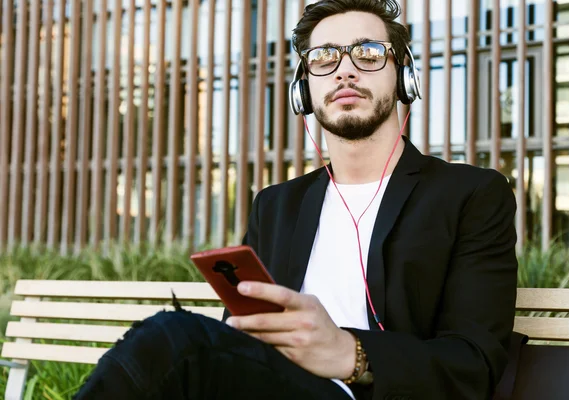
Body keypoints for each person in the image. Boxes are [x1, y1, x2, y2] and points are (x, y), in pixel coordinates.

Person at [74, 1, 518, 399]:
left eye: (367, 53)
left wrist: (351, 353)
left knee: (173, 338)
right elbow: (239, 337)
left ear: (403, 74)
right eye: (324, 58)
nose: (345, 70)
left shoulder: (471, 194)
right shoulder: (276, 204)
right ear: (304, 89)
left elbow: (473, 363)